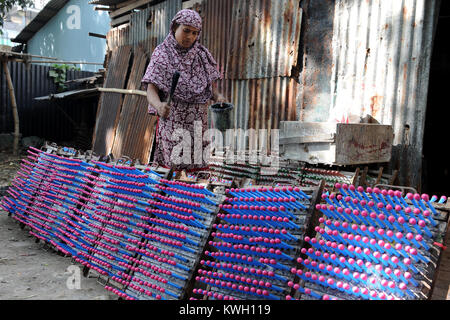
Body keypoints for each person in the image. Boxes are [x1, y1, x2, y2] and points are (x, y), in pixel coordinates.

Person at [141, 9, 225, 175]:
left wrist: (218, 97)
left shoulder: (201, 55)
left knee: (198, 170)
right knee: (174, 169)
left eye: (195, 33)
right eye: (186, 31)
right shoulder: (162, 54)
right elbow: (151, 90)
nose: (190, 37)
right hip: (173, 121)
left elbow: (210, 86)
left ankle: (194, 198)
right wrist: (158, 105)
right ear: (174, 28)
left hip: (198, 125)